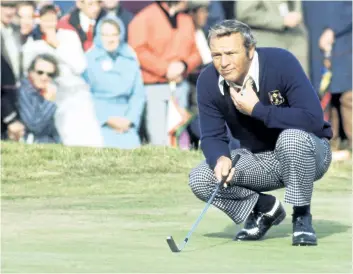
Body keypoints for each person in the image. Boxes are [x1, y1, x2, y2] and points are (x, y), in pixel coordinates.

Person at [189, 20, 332, 246]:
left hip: (310, 153)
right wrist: (220, 158)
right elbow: (212, 135)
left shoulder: (281, 62)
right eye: (216, 55)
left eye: (231, 53)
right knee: (201, 179)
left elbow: (313, 120)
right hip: (261, 161)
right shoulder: (207, 80)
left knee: (291, 138)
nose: (223, 63)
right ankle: (265, 209)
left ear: (250, 50)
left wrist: (258, 111)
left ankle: (302, 216)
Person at [83, 15, 145, 149]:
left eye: (114, 34)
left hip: (125, 120)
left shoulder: (130, 58)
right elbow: (84, 95)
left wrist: (129, 120)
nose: (110, 39)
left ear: (120, 35)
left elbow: (138, 94)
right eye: (105, 35)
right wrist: (107, 119)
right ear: (99, 35)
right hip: (98, 119)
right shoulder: (89, 59)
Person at [18, 54, 61, 144]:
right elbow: (34, 126)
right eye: (40, 72)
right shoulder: (23, 91)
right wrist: (49, 102)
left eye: (50, 74)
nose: (44, 77)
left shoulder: (43, 91)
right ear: (30, 72)